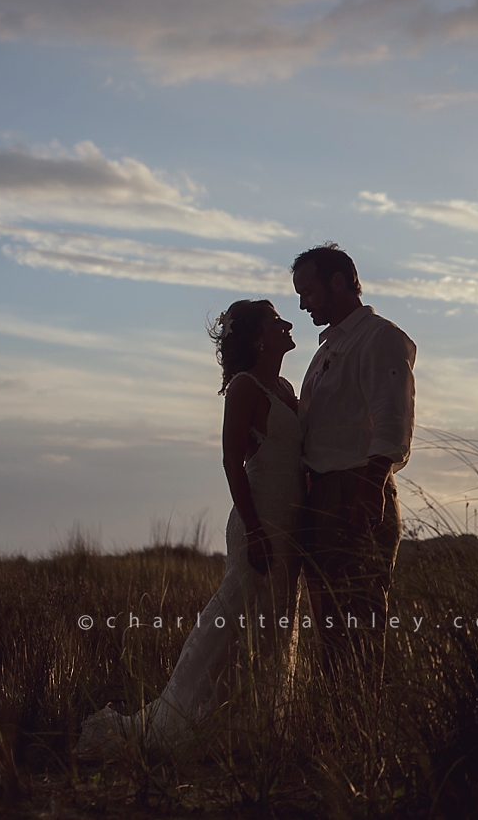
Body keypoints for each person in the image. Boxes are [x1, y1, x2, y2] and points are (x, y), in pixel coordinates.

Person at [74, 300, 303, 759]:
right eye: (277, 321)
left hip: (290, 528)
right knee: (234, 625)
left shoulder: (284, 387)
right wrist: (256, 531)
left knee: (272, 630)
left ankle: (249, 732)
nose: (288, 325)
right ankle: (180, 725)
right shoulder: (244, 388)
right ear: (260, 338)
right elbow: (231, 461)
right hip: (258, 525)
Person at [291, 242, 416, 684]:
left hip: (355, 489)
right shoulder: (327, 351)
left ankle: (359, 727)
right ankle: (336, 726)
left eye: (308, 291)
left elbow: (392, 415)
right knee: (329, 620)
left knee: (359, 612)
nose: (302, 303)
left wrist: (370, 488)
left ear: (338, 282)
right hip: (324, 493)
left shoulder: (379, 338)